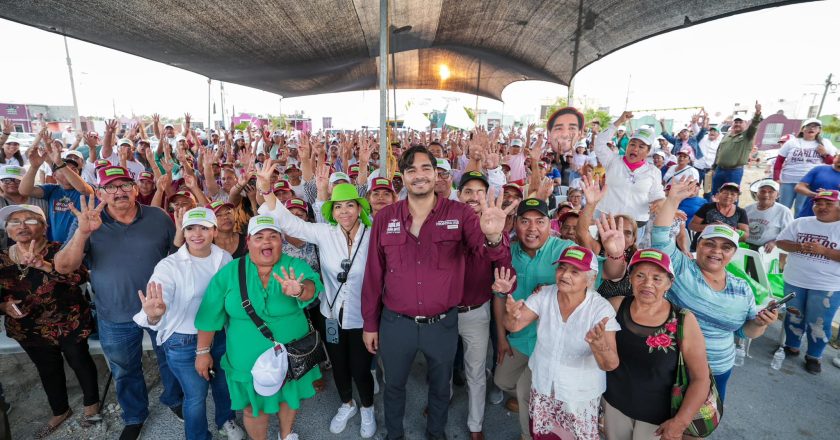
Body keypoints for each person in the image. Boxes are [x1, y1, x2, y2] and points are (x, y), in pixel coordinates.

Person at [361, 145, 515, 440]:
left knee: (440, 385)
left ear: (437, 174)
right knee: (393, 386)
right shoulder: (385, 218)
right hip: (395, 324)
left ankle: (436, 434)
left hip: (442, 324)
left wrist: (494, 236)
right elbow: (373, 275)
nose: (419, 176)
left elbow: (486, 255)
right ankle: (395, 435)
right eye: (411, 170)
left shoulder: (459, 214)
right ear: (402, 177)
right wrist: (370, 324)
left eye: (425, 169)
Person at [55, 166, 183, 440]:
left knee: (169, 360)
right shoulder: (90, 220)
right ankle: (135, 415)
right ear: (100, 193)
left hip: (160, 310)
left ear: (136, 189)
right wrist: (83, 233)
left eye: (125, 185)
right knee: (125, 369)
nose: (119, 192)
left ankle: (174, 400)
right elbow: (64, 267)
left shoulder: (159, 217)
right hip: (115, 314)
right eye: (111, 187)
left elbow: (178, 257)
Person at [258, 162, 377, 438]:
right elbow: (291, 223)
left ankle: (368, 408)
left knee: (361, 368)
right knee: (339, 365)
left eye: (349, 205)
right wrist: (267, 191)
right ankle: (347, 404)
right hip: (331, 314)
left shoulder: (373, 236)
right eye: (338, 206)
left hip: (362, 317)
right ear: (331, 211)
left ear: (360, 208)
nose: (344, 211)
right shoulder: (325, 233)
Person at [494, 197, 627, 439]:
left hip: (578, 392)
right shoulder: (543, 292)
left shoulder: (599, 310)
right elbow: (512, 319)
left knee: (569, 428)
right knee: (533, 414)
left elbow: (610, 271)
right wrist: (509, 320)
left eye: (575, 271)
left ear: (590, 279)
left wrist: (600, 348)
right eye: (562, 268)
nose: (565, 275)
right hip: (532, 354)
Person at [194, 213, 323, 440]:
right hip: (247, 359)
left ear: (281, 241)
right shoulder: (231, 272)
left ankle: (286, 435)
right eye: (259, 236)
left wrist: (299, 290)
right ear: (249, 242)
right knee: (253, 407)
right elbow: (209, 315)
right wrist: (203, 351)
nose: (266, 242)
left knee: (288, 397)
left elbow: (311, 287)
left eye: (273, 236)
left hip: (291, 353)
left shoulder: (293, 265)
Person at [652, 178, 778, 400]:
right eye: (709, 243)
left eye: (726, 247)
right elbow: (661, 236)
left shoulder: (742, 289)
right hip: (671, 364)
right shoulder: (681, 268)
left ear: (733, 253)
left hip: (718, 369)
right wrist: (672, 199)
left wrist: (760, 323)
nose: (716, 251)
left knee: (698, 429)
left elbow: (744, 331)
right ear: (698, 245)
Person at [133, 207, 245, 440]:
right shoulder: (169, 266)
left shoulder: (223, 257)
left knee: (223, 385)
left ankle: (226, 420)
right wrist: (154, 314)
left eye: (203, 227)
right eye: (190, 228)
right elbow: (159, 300)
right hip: (182, 340)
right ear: (183, 232)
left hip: (218, 334)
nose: (197, 234)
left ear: (214, 231)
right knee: (196, 395)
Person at [0, 204, 100, 438]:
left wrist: (43, 265)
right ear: (7, 230)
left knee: (80, 361)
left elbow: (79, 277)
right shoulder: (3, 260)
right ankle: (60, 410)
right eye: (15, 222)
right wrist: (4, 307)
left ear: (44, 228)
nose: (22, 226)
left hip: (70, 322)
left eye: (30, 220)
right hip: (28, 329)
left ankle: (91, 405)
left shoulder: (59, 250)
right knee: (47, 369)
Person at [603, 248, 711, 440]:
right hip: (615, 408)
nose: (647, 284)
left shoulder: (683, 320)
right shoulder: (616, 306)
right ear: (630, 279)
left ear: (669, 283)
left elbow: (701, 379)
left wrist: (680, 422)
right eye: (640, 276)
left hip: (659, 422)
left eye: (657, 278)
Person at [456, 171, 516, 439]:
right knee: (441, 366)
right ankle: (441, 398)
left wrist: (493, 236)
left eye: (480, 192)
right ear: (458, 196)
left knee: (476, 372)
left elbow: (506, 274)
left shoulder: (495, 229)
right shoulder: (446, 225)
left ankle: (475, 425)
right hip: (441, 314)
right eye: (468, 191)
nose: (473, 196)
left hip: (475, 313)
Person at [776, 190, 840, 374]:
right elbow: (781, 243)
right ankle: (792, 345)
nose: (822, 207)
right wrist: (798, 246)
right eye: (818, 203)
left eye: (828, 204)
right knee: (793, 315)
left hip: (827, 285)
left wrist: (824, 251)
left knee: (819, 322)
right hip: (795, 279)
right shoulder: (800, 223)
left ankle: (814, 356)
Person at [593, 111, 665, 228]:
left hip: (635, 223)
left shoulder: (653, 172)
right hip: (606, 218)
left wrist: (660, 202)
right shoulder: (612, 160)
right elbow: (599, 143)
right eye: (632, 144)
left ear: (648, 152)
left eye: (641, 147)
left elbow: (657, 194)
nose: (635, 149)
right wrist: (619, 122)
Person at [20, 133, 95, 243]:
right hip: (55, 245)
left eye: (74, 169)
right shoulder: (51, 189)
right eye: (65, 169)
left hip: (82, 245)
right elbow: (24, 190)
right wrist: (34, 167)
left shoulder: (86, 187)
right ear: (54, 175)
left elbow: (83, 189)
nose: (71, 171)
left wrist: (60, 163)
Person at [773, 118, 836, 216]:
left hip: (808, 182)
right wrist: (776, 178)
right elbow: (779, 161)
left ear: (819, 130)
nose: (812, 128)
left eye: (815, 127)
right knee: (783, 208)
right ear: (803, 129)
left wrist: (824, 154)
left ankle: (798, 229)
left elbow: (832, 163)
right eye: (809, 126)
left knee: (801, 208)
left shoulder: (824, 143)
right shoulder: (792, 142)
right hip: (788, 180)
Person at [711, 102, 762, 195]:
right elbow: (719, 151)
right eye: (736, 122)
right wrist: (714, 167)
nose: (737, 124)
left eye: (740, 122)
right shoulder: (727, 134)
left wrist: (757, 113)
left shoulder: (747, 135)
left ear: (746, 124)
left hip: (734, 172)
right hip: (719, 169)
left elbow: (754, 125)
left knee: (731, 196)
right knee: (715, 194)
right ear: (733, 123)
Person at [744, 179, 792, 275]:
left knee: (759, 278)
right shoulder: (747, 209)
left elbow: (789, 234)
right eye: (763, 191)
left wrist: (775, 242)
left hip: (766, 251)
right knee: (743, 275)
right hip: (746, 248)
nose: (766, 195)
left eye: (771, 192)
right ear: (757, 194)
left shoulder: (783, 211)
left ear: (777, 195)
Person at [688, 182, 749, 247]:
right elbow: (692, 226)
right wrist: (710, 226)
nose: (728, 196)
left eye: (733, 194)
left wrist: (728, 228)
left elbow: (745, 236)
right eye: (725, 193)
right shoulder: (707, 207)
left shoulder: (740, 212)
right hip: (703, 245)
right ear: (718, 195)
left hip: (727, 247)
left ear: (737, 198)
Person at [794, 150, 840, 217]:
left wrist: (831, 195)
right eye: (839, 157)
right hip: (810, 213)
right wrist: (817, 195)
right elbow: (799, 187)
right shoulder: (819, 169)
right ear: (835, 157)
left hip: (835, 217)